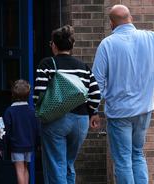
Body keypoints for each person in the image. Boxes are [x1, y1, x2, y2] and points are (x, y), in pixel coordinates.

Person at [92, 4, 154, 184]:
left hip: (119, 113)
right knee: (137, 153)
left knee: (122, 161)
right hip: (144, 111)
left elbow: (97, 82)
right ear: (131, 19)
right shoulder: (152, 39)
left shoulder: (107, 44)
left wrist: (94, 110)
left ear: (111, 24)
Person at [33, 25, 101, 184]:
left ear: (54, 45)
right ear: (73, 45)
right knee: (69, 163)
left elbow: (38, 94)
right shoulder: (83, 67)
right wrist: (90, 112)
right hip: (81, 121)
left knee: (56, 165)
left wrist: (41, 112)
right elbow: (96, 94)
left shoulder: (47, 64)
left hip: (55, 120)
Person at [0, 79, 41, 184]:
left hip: (16, 145)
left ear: (13, 94)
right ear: (29, 94)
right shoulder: (32, 111)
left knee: (19, 169)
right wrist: (39, 143)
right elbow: (38, 128)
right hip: (29, 145)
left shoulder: (10, 111)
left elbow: (4, 131)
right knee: (25, 168)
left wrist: (1, 146)